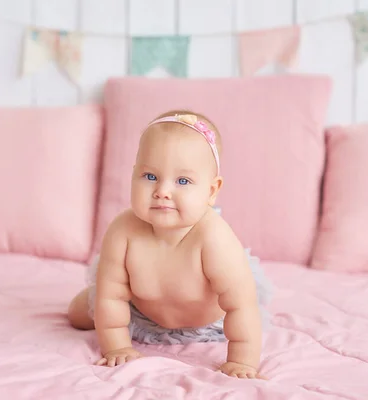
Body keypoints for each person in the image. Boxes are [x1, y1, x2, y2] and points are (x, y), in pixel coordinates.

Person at [67, 110, 272, 379]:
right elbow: (112, 296)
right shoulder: (123, 230)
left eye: (183, 181)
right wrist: (117, 346)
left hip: (208, 322)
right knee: (78, 313)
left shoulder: (213, 237)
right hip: (141, 314)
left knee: (245, 315)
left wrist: (242, 362)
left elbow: (240, 305)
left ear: (211, 191)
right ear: (133, 175)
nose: (162, 190)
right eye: (150, 176)